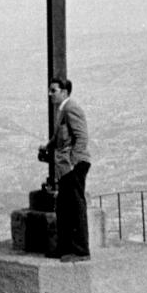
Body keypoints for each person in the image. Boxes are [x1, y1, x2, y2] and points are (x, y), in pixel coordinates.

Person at [37, 77, 91, 261]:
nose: (50, 94)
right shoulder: (62, 111)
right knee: (63, 208)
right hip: (66, 167)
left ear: (64, 92)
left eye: (54, 90)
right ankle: (65, 248)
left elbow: (81, 136)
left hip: (73, 166)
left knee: (75, 207)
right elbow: (59, 137)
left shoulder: (71, 108)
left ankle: (81, 251)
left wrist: (73, 161)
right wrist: (48, 146)